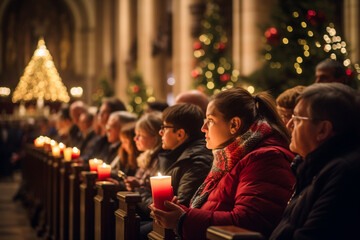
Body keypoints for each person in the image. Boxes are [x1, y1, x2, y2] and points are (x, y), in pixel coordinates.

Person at [150, 86, 296, 239]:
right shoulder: (230, 156)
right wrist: (179, 212)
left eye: (210, 120)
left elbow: (248, 222)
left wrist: (183, 219)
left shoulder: (266, 159)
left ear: (234, 125)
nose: (203, 128)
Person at [270, 83, 360, 240]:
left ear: (323, 130)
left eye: (297, 118)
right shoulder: (311, 167)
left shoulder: (343, 173)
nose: (289, 125)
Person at [141, 103, 213, 238]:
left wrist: (139, 193)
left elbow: (177, 207)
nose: (160, 132)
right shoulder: (176, 154)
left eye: (164, 127)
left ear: (180, 134)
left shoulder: (195, 161)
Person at [123, 111, 163, 220]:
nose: (135, 139)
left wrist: (137, 187)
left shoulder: (159, 160)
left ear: (155, 137)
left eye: (140, 135)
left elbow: (152, 194)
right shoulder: (146, 157)